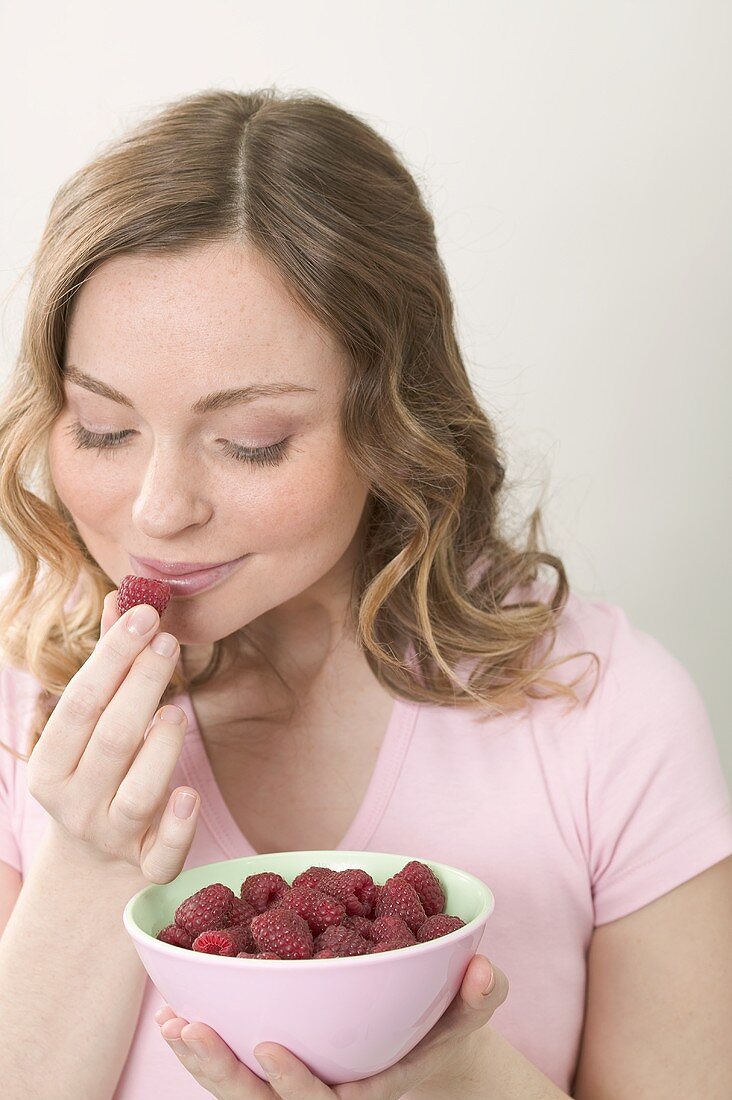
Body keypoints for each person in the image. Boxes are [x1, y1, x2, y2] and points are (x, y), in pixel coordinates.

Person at [0, 87, 730, 1100]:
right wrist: (87, 860)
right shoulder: (17, 712)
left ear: (393, 422)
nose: (158, 510)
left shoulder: (604, 710)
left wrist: (464, 1074)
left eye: (251, 438)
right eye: (103, 427)